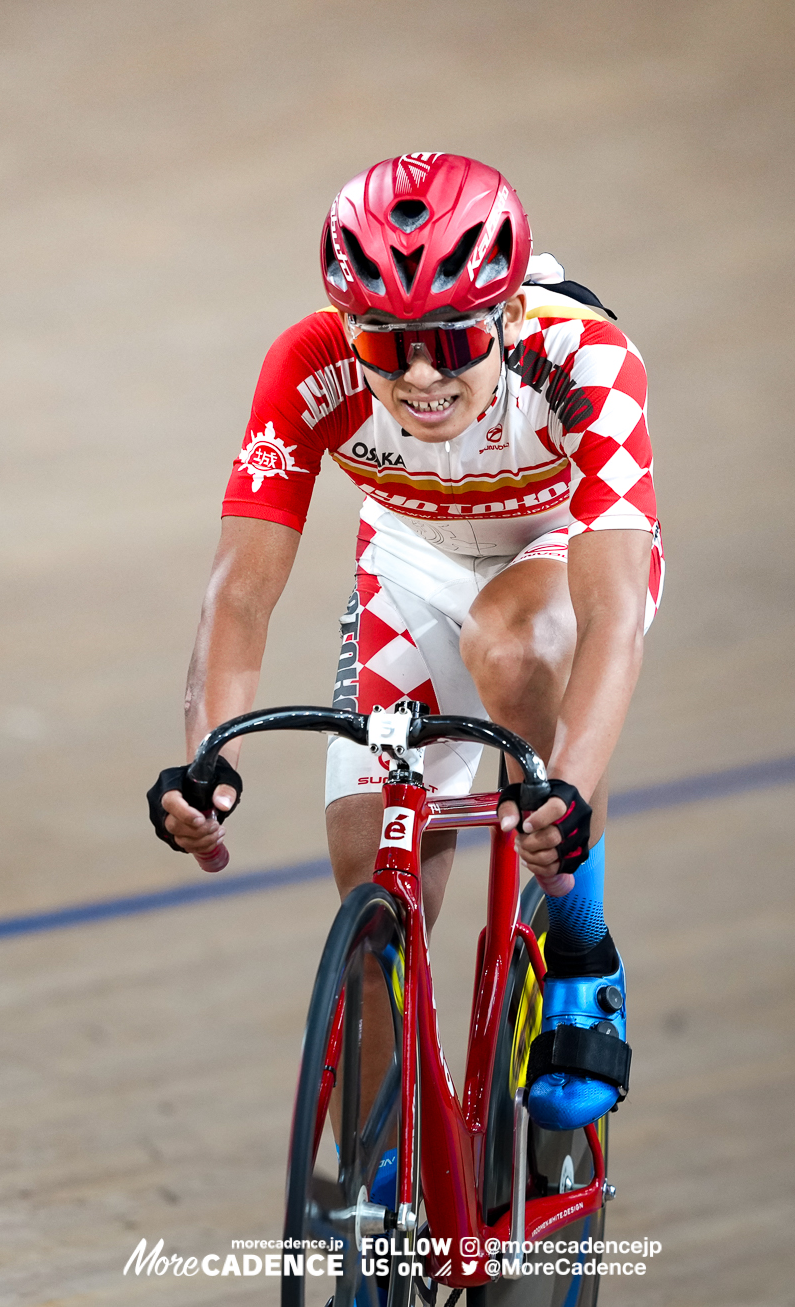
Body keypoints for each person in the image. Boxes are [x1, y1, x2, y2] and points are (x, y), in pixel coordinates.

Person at [147, 152, 661, 1143]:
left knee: (509, 643)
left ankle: (576, 934)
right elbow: (240, 591)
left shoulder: (586, 363)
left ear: (507, 317)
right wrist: (212, 762)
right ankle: (378, 1209)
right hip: (409, 559)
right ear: (347, 326)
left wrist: (574, 793)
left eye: (453, 339)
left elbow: (613, 618)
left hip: (556, 551)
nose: (421, 376)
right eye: (386, 344)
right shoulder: (309, 365)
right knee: (374, 883)